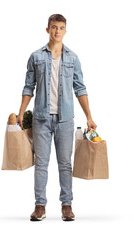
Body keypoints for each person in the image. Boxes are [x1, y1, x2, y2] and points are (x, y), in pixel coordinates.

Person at [17, 14, 97, 221]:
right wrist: (20, 112)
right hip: (41, 118)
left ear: (65, 31)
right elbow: (28, 87)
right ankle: (40, 206)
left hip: (65, 120)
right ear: (47, 30)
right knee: (41, 163)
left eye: (61, 28)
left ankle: (67, 206)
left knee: (65, 163)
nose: (57, 31)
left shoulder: (73, 58)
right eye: (54, 27)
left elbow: (80, 88)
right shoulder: (36, 57)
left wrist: (89, 116)